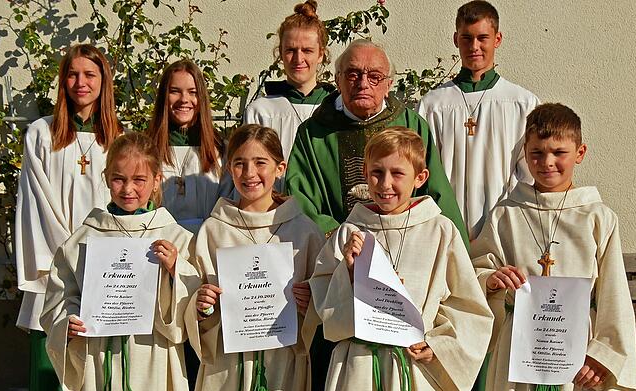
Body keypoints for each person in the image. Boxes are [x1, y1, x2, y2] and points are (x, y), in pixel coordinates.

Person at [308, 126, 493, 391]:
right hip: (359, 367)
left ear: (420, 178)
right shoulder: (350, 231)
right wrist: (349, 273)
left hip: (415, 370)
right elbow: (323, 298)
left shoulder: (440, 231)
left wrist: (439, 347)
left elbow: (468, 307)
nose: (385, 184)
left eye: (397, 173)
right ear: (365, 174)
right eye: (377, 173)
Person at [470, 104, 636, 391]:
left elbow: (613, 292)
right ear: (525, 153)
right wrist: (492, 280)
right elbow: (475, 272)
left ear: (580, 152)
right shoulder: (506, 214)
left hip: (579, 354)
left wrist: (604, 355)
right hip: (519, 350)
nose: (547, 162)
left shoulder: (597, 217)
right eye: (537, 153)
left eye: (559, 152)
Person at [40, 132, 198, 391]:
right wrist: (69, 322)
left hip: (154, 357)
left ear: (156, 180)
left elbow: (193, 311)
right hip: (99, 356)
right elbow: (60, 298)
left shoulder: (174, 237)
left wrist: (176, 269)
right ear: (106, 177)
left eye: (139, 179)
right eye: (118, 179)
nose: (128, 189)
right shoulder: (84, 239)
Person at [184, 124, 325, 391]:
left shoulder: (303, 231)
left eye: (260, 163)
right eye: (239, 163)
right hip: (226, 364)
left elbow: (325, 299)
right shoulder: (214, 230)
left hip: (282, 363)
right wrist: (202, 303)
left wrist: (310, 301)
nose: (250, 173)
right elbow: (191, 299)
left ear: (280, 168)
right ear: (228, 168)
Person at [14, 43, 123, 391]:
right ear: (63, 82)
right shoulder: (42, 133)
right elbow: (35, 204)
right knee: (52, 378)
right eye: (73, 74)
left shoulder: (118, 138)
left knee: (97, 380)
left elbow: (127, 203)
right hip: (55, 276)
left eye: (90, 74)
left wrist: (103, 262)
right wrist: (72, 258)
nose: (81, 82)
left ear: (103, 82)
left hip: (105, 274)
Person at [286, 38, 467, 240]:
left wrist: (454, 246)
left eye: (374, 77)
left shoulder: (411, 125)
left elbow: (436, 193)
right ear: (338, 80)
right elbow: (300, 200)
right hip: (338, 250)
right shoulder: (313, 133)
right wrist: (341, 237)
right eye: (353, 74)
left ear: (388, 84)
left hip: (404, 243)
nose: (363, 84)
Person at [417, 0, 540, 240]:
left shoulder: (523, 103)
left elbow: (530, 175)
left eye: (483, 37)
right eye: (466, 38)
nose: (474, 46)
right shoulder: (433, 104)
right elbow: (423, 172)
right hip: (445, 229)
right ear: (455, 39)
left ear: (497, 39)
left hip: (506, 229)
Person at [147, 59, 234, 234]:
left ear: (201, 97)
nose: (184, 100)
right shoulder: (146, 149)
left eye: (192, 92)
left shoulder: (220, 151)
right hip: (157, 244)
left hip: (206, 243)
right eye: (175, 92)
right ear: (164, 96)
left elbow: (227, 209)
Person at [244, 0, 335, 162]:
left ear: (320, 54)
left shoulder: (336, 107)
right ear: (280, 53)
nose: (298, 59)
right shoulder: (260, 111)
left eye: (307, 50)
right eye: (291, 50)